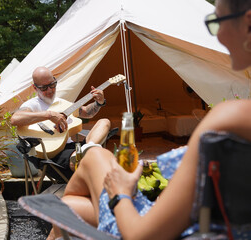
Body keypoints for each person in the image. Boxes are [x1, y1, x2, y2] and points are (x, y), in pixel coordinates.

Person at [47, 0, 251, 239]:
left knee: (89, 164)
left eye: (216, 23)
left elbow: (142, 235)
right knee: (73, 199)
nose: (217, 38)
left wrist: (120, 192)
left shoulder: (232, 116)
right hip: (214, 225)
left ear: (247, 23)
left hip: (168, 231)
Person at [11, 66, 111, 180]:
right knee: (88, 161)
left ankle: (87, 149)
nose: (49, 90)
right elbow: (15, 119)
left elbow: (87, 112)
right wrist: (49, 115)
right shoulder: (32, 104)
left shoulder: (62, 103)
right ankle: (85, 155)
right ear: (35, 87)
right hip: (52, 155)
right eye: (44, 88)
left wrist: (99, 102)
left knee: (104, 122)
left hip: (73, 148)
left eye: (52, 85)